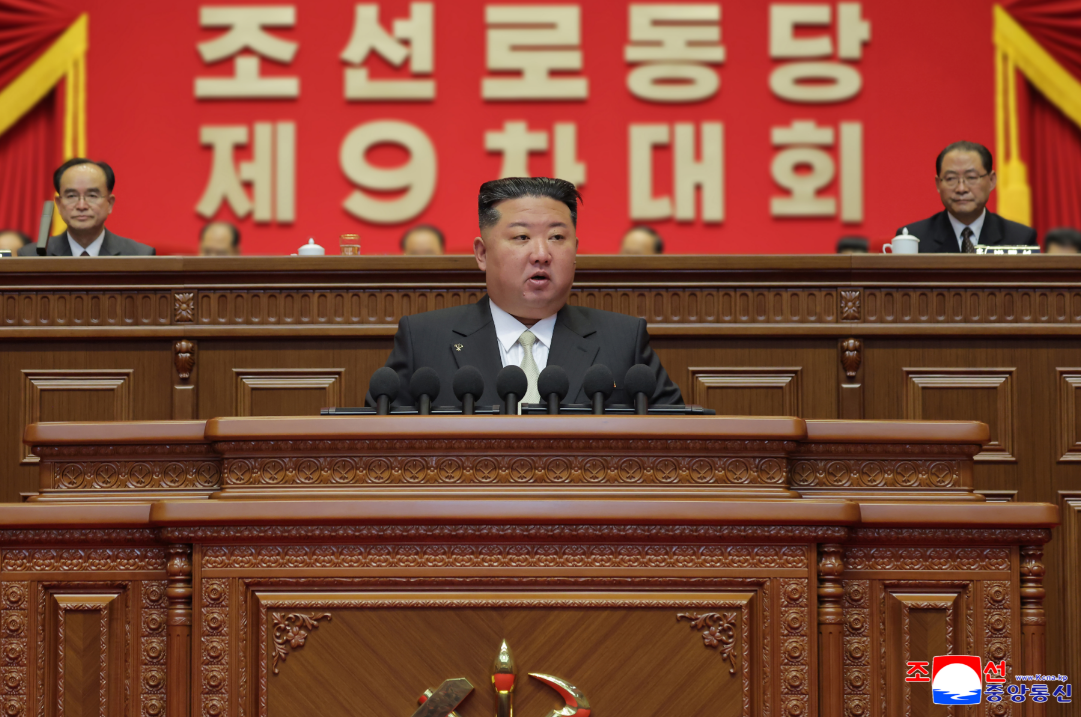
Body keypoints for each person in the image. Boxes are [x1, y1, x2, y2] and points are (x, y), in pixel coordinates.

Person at [372, 177, 683, 407]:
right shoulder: (424, 340)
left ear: (575, 251)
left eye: (557, 237)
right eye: (521, 237)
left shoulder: (624, 340)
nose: (541, 254)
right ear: (482, 254)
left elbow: (677, 439)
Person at [895, 141, 1036, 253]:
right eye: (951, 178)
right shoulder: (913, 240)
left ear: (991, 180)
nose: (961, 189)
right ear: (938, 184)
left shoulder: (1020, 239)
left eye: (971, 177)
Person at [18, 158, 155, 256]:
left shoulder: (139, 255)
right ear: (59, 204)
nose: (81, 206)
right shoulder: (31, 256)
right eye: (71, 196)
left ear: (109, 203)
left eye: (92, 196)